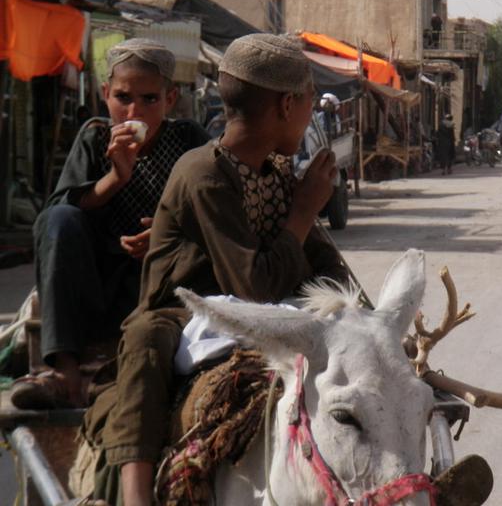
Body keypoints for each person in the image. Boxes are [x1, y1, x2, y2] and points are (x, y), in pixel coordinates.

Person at [88, 34, 347, 505]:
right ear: (287, 105)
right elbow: (252, 287)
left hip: (262, 312)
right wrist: (306, 210)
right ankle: (134, 492)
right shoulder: (203, 172)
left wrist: (370, 320)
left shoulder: (275, 172)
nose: (312, 113)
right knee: (145, 344)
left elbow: (330, 274)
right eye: (310, 102)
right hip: (184, 312)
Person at [13, 39, 209, 410]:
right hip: (98, 281)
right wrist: (115, 178)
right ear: (106, 94)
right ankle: (63, 371)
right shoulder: (94, 136)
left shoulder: (188, 141)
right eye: (123, 97)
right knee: (57, 218)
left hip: (163, 278)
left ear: (169, 100)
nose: (134, 110)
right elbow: (59, 211)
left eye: (149, 99)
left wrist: (167, 236)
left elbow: (215, 211)